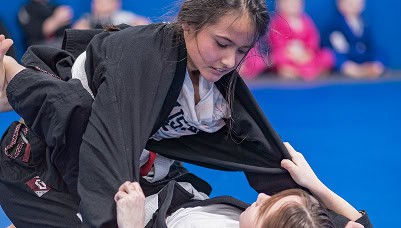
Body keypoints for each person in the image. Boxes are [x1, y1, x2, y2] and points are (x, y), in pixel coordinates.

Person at [0, 0, 355, 226]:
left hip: (139, 162)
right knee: (72, 109)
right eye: (222, 43)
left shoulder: (219, 82)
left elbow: (259, 152)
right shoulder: (144, 58)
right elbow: (110, 142)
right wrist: (115, 223)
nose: (231, 61)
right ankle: (9, 73)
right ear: (189, 25)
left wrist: (317, 201)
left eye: (242, 50)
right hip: (60, 133)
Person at [115, 143, 372, 228]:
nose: (259, 196)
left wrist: (131, 223)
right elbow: (358, 224)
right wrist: (314, 184)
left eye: (262, 208)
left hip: (136, 207)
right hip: (172, 188)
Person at [269, 0, 334, 81]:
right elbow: (276, 41)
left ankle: (302, 71)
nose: (292, 5)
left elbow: (313, 39)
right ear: (279, 5)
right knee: (276, 57)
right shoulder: (278, 22)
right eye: (288, 3)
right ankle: (293, 70)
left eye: (296, 3)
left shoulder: (306, 20)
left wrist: (307, 53)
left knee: (327, 55)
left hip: (306, 55)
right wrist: (290, 51)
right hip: (288, 55)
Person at [327, 0, 385, 78]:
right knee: (332, 55)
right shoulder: (336, 24)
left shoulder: (365, 23)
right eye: (349, 3)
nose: (354, 6)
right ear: (340, 5)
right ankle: (355, 70)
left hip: (364, 56)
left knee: (381, 52)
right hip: (348, 56)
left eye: (357, 3)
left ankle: (375, 67)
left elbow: (371, 44)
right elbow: (341, 48)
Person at [73, 0, 150, 29]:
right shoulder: (88, 19)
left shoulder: (122, 17)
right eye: (95, 2)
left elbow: (143, 23)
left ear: (116, 4)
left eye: (104, 2)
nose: (97, 4)